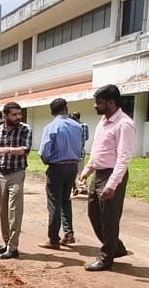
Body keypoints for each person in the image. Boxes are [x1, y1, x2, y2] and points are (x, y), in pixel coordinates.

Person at [79, 85, 134, 271]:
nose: (95, 106)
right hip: (99, 173)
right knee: (94, 213)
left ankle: (106, 258)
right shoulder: (103, 121)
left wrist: (112, 184)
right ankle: (116, 247)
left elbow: (123, 157)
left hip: (112, 175)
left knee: (108, 218)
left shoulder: (124, 124)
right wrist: (88, 170)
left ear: (111, 103)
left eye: (99, 102)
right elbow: (98, 150)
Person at [38, 98, 85, 248]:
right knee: (66, 200)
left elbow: (44, 152)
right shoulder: (78, 126)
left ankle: (53, 239)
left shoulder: (51, 127)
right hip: (72, 166)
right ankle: (69, 233)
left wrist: (48, 162)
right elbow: (81, 147)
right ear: (66, 108)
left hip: (57, 167)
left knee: (54, 203)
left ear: (52, 111)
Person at [0, 102, 32, 259]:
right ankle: (6, 242)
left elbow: (25, 150)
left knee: (15, 211)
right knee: (2, 212)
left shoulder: (25, 129)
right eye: (14, 114)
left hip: (17, 174)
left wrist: (7, 150)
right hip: (2, 175)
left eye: (19, 114)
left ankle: (13, 247)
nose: (18, 117)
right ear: (5, 115)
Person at [71, 112, 90, 196]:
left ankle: (74, 187)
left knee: (72, 171)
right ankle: (83, 187)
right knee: (81, 170)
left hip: (71, 152)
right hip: (81, 151)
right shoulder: (84, 125)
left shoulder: (71, 126)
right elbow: (86, 138)